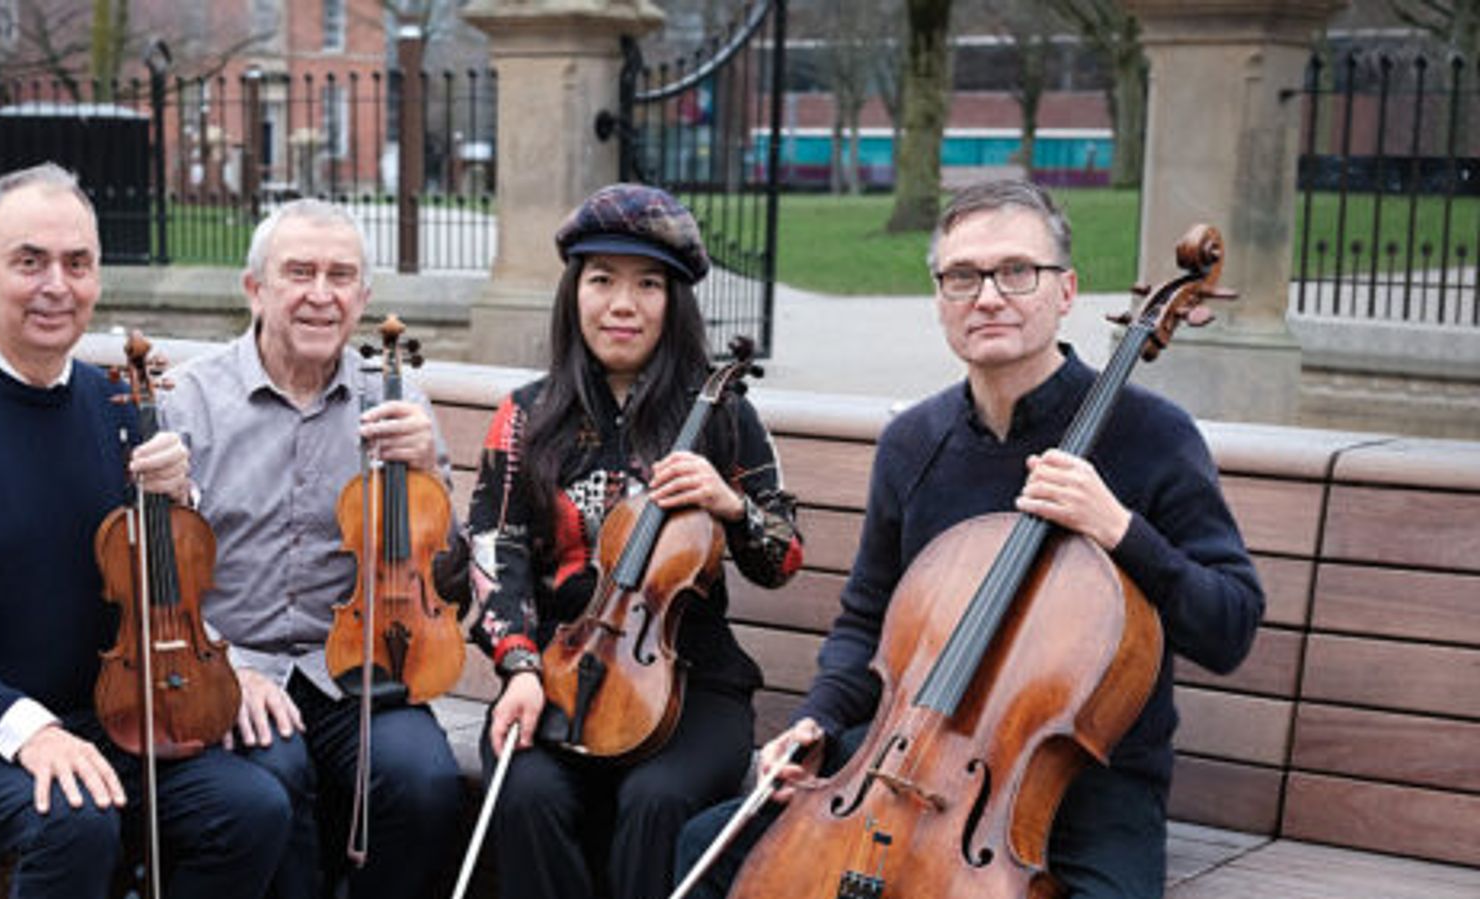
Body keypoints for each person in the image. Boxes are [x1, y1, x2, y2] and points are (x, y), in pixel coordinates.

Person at [673, 178, 1265, 898]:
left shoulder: (1153, 436)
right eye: (962, 276)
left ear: (1065, 289)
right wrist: (817, 722)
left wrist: (1120, 529)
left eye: (1017, 271)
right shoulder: (913, 442)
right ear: (941, 298)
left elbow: (1230, 626)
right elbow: (868, 618)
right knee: (708, 846)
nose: (988, 295)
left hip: (1087, 784)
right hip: (906, 752)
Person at [0, 163, 290, 898]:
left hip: (102, 721)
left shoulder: (118, 403)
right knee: (76, 818)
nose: (57, 284)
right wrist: (26, 728)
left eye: (77, 263)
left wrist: (175, 502)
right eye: (30, 261)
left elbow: (156, 595)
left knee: (251, 807)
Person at [464, 183, 805, 899]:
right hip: (560, 672)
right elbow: (498, 552)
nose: (623, 304)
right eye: (602, 280)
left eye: (648, 284)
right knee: (524, 792)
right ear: (574, 293)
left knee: (656, 801)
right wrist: (520, 667)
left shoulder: (722, 414)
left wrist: (732, 505)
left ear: (673, 302)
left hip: (693, 682)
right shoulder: (526, 415)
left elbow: (783, 557)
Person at [154, 198, 464, 899]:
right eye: (299, 272)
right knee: (275, 773)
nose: (321, 294)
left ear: (363, 297)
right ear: (255, 288)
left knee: (425, 782)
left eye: (340, 275)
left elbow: (447, 578)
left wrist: (427, 475)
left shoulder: (394, 397)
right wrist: (223, 672)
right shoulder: (191, 401)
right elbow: (158, 577)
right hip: (231, 665)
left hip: (356, 665)